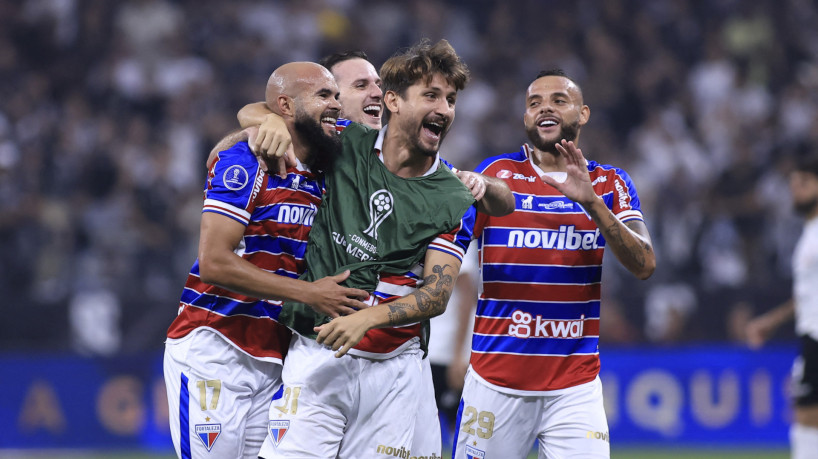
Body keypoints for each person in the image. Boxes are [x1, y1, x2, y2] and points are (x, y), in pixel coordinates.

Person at [237, 49, 512, 457]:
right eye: (431, 96)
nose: (444, 109)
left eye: (451, 100)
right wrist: (271, 120)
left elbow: (436, 295)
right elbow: (262, 111)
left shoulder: (454, 196)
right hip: (316, 353)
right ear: (393, 101)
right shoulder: (344, 142)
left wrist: (367, 318)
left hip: (391, 370)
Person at [162, 62, 370, 459]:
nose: (336, 105)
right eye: (324, 95)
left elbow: (386, 137)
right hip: (216, 345)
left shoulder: (329, 160)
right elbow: (214, 262)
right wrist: (310, 293)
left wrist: (259, 117)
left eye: (337, 96)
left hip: (276, 355)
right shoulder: (246, 160)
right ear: (287, 106)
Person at [453, 69, 656, 459]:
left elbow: (645, 263)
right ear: (526, 118)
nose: (545, 108)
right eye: (534, 103)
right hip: (496, 383)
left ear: (583, 114)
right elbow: (449, 248)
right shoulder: (496, 175)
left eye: (559, 100)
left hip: (575, 389)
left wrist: (592, 204)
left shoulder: (609, 183)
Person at [746, 150, 818, 459]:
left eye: (804, 183)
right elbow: (807, 296)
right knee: (805, 418)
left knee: (807, 418)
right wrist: (771, 322)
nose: (795, 190)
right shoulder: (809, 234)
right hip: (810, 335)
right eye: (793, 184)